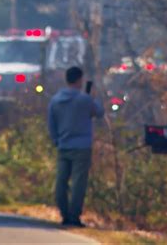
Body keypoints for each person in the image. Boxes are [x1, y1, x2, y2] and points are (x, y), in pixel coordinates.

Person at [48, 66, 104, 227]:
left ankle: (64, 213)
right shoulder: (84, 100)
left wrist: (56, 140)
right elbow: (99, 112)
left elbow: (51, 124)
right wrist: (94, 98)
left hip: (63, 145)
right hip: (82, 146)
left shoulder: (56, 100)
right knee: (79, 183)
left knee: (61, 181)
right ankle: (74, 216)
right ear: (79, 80)